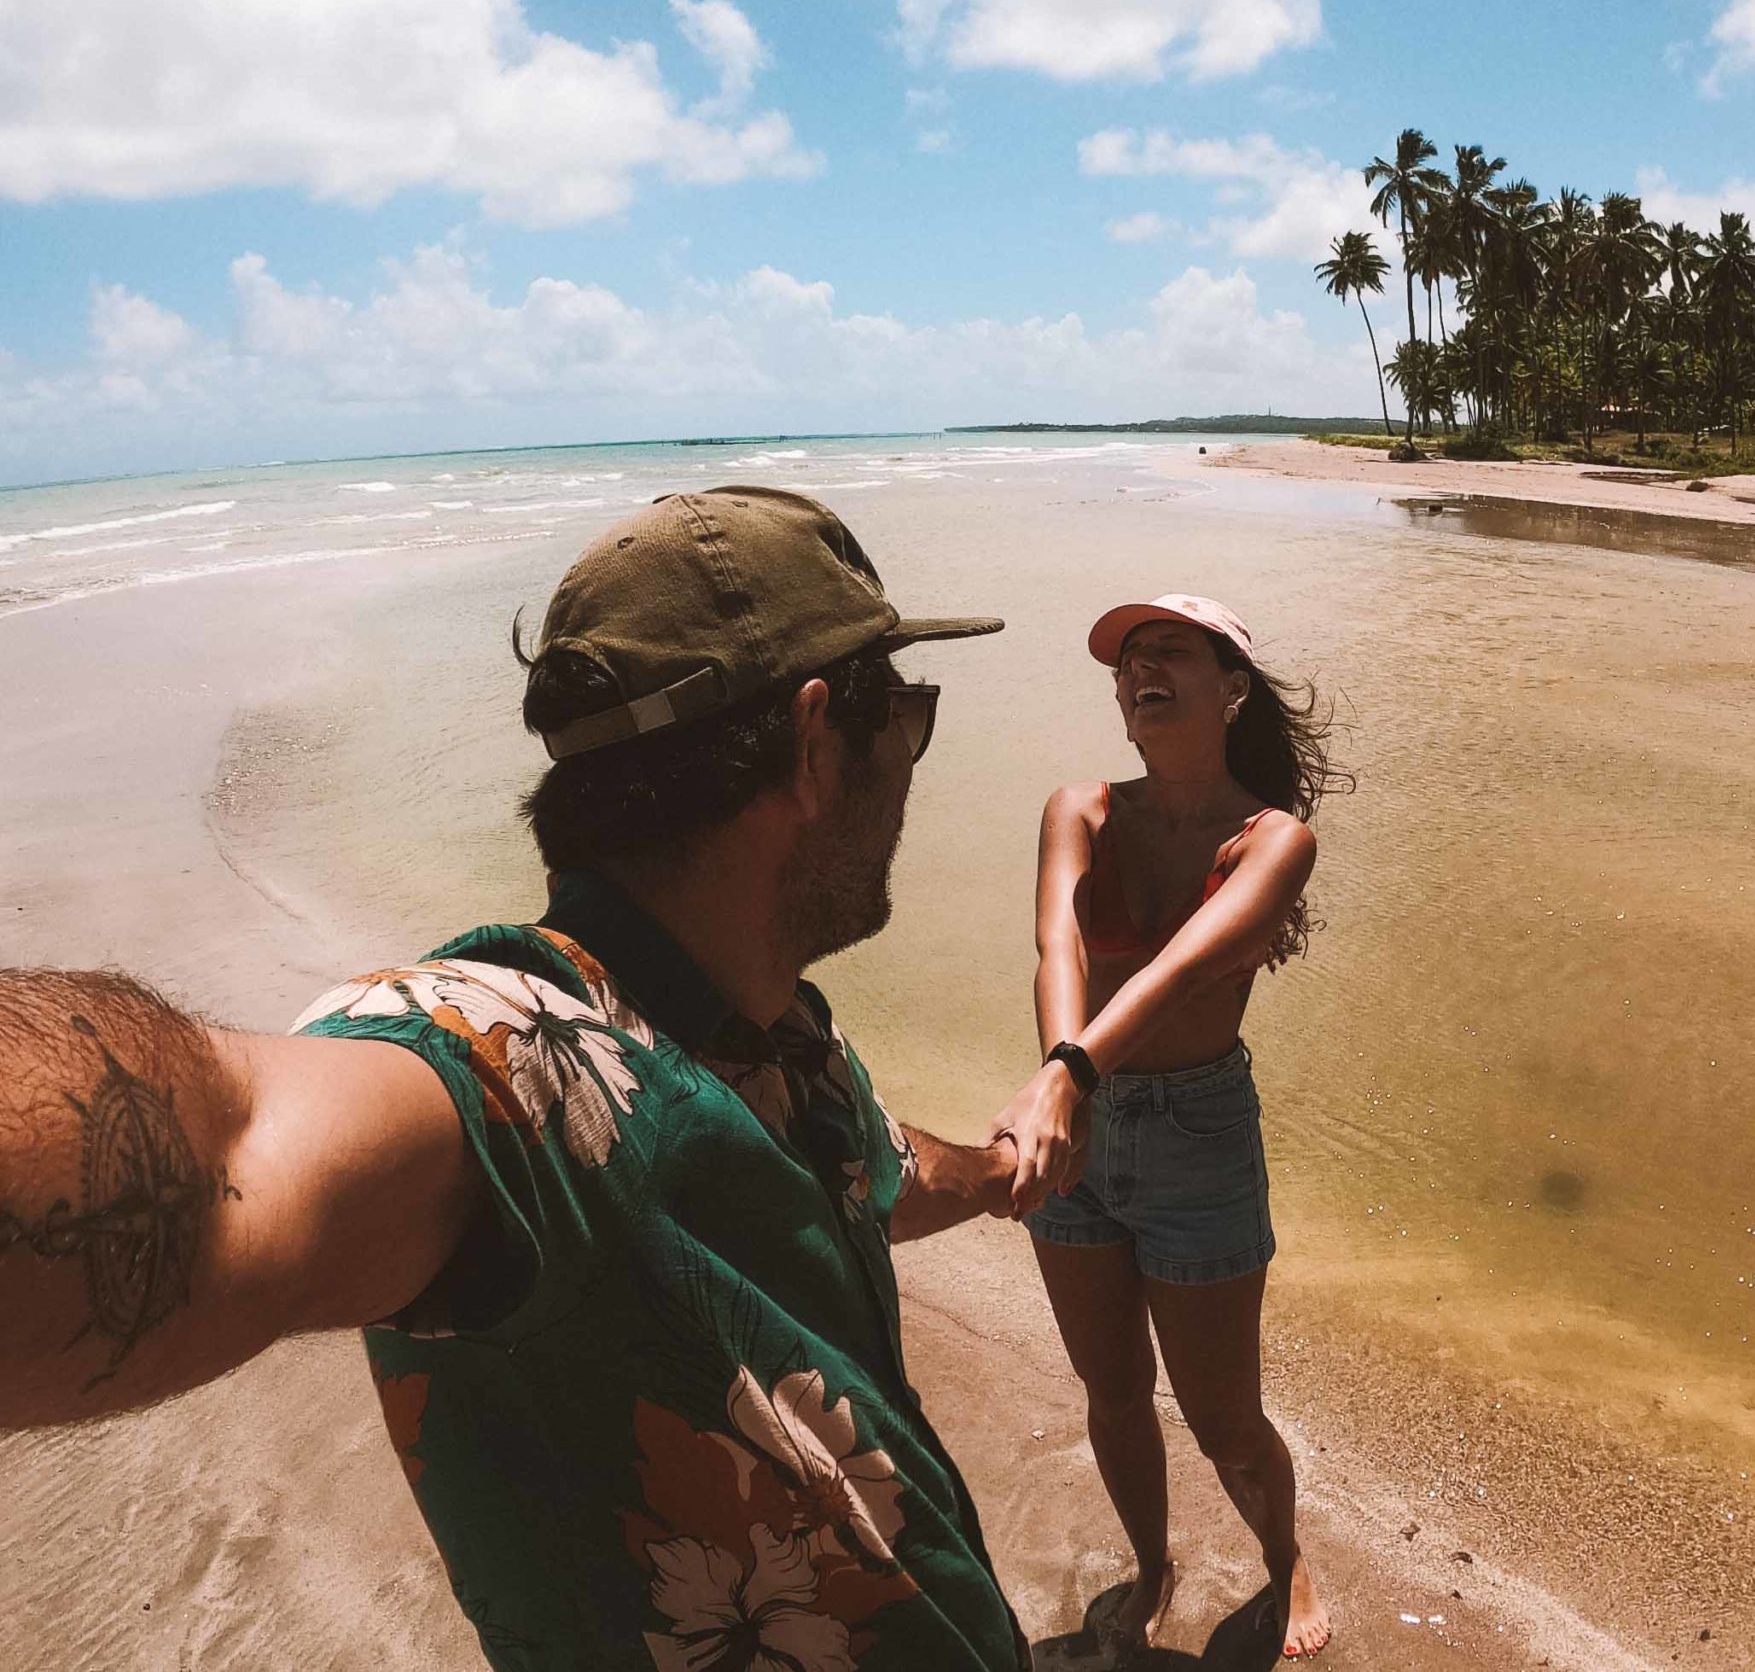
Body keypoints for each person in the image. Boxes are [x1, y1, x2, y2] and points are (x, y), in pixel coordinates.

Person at [0, 486, 1039, 1670]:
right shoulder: (523, 1063)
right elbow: (234, 1145)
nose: (911, 752)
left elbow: (877, 1172)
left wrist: (1005, 1167)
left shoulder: (779, 1040)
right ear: (814, 744)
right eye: (902, 711)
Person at [988, 595, 1347, 1661]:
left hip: (1196, 1130)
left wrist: (1067, 1072)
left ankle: (1286, 1563)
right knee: (1111, 1388)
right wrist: (1068, 1084)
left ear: (1231, 685)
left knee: (1224, 1414)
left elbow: (1188, 961)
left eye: (1169, 650)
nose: (1139, 667)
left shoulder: (1275, 838)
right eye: (1126, 658)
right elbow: (1057, 942)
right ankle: (1152, 1564)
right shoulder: (1080, 806)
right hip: (1080, 1120)